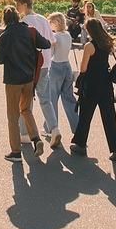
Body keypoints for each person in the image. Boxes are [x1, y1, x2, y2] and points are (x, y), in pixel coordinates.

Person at [0, 5, 51, 162]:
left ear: (5, 20)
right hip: (29, 78)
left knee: (12, 116)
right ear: (18, 17)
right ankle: (36, 139)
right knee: (26, 110)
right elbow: (46, 44)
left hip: (13, 80)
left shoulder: (5, 36)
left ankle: (16, 152)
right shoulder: (28, 30)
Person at [71, 17, 116, 161]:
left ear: (89, 30)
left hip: (91, 84)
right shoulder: (107, 42)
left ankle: (80, 144)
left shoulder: (90, 46)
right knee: (109, 117)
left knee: (86, 115)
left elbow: (83, 68)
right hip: (106, 83)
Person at [14, 0, 57, 145]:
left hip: (30, 66)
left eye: (18, 5)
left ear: (25, 4)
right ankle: (54, 129)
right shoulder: (43, 19)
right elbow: (52, 41)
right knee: (45, 100)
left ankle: (25, 134)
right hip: (45, 64)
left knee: (25, 101)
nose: (16, 8)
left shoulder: (24, 22)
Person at [44, 12, 79, 148]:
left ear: (56, 23)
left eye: (50, 23)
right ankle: (77, 127)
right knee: (69, 99)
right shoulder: (68, 35)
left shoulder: (55, 37)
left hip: (56, 67)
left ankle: (51, 128)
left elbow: (50, 54)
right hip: (67, 66)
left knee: (52, 98)